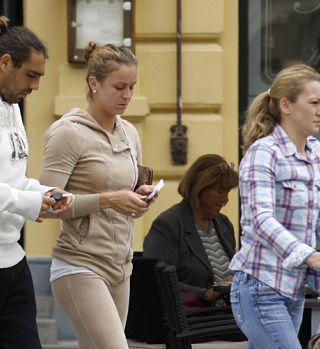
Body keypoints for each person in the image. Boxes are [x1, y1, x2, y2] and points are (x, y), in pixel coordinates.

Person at [39, 42, 155, 349]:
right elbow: (46, 204)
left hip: (122, 266)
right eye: (119, 87)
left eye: (132, 87)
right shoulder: (68, 133)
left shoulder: (130, 132)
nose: (127, 95)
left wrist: (139, 199)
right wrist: (108, 198)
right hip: (79, 264)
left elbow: (128, 205)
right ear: (94, 83)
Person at [229, 64, 320, 349]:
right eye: (315, 102)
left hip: (293, 290)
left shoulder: (316, 153)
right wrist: (309, 256)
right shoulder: (264, 153)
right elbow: (261, 220)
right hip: (259, 287)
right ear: (286, 105)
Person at [0, 16, 71, 349]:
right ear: (5, 63)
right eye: (31, 75)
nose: (35, 87)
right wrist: (31, 204)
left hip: (13, 261)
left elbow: (13, 179)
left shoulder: (12, 107)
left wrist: (46, 193)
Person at [143, 154, 238, 307]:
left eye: (227, 192)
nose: (226, 199)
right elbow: (156, 280)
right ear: (199, 189)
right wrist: (205, 293)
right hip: (193, 321)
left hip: (226, 315)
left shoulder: (223, 224)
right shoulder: (169, 225)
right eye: (220, 192)